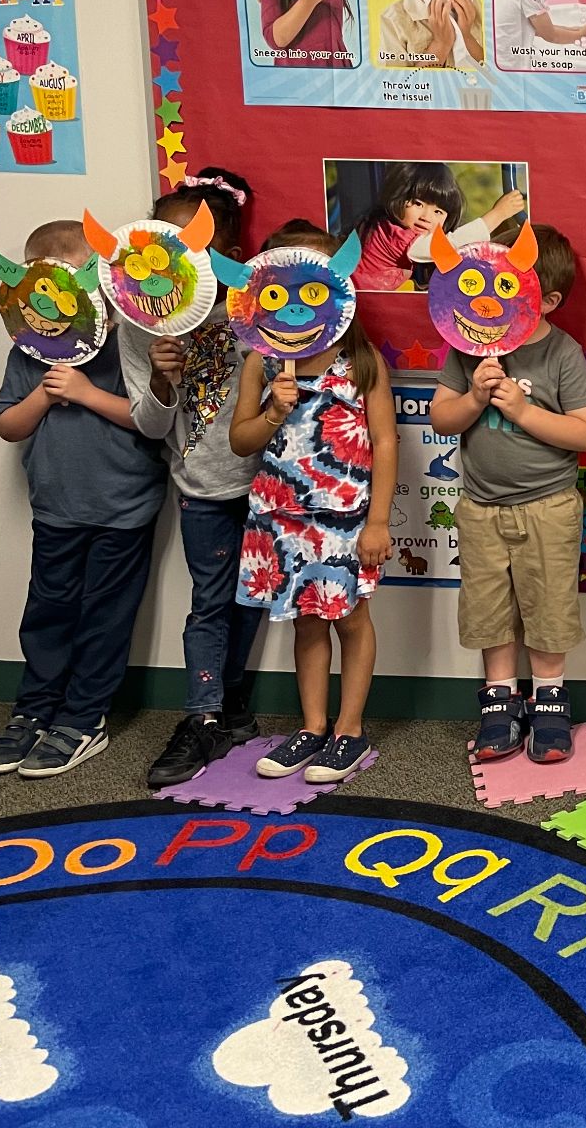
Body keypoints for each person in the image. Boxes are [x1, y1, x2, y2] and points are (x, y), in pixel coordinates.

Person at [0, 220, 166, 779]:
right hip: (57, 507)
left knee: (104, 619)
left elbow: (152, 425)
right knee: (48, 612)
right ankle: (33, 711)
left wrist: (86, 393)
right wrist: (44, 389)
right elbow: (9, 427)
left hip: (123, 507)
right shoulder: (28, 352)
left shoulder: (128, 339)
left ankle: (83, 718)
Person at [229, 221, 397, 785]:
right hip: (282, 519)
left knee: (350, 618)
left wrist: (377, 522)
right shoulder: (261, 359)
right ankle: (313, 725)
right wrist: (274, 410)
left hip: (346, 520)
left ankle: (349, 729)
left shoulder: (363, 360)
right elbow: (241, 441)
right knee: (305, 623)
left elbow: (385, 441)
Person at [428, 225, 586, 764]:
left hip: (549, 508)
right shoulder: (465, 348)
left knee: (549, 607)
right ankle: (499, 703)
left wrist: (523, 411)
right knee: (489, 610)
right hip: (481, 509)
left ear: (544, 300)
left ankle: (550, 701)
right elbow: (442, 417)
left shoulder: (560, 353)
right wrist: (476, 397)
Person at [133, 169, 269, 786]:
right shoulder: (151, 324)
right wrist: (162, 378)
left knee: (250, 601)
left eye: (193, 244)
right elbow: (152, 425)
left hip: (269, 487)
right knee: (209, 604)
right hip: (203, 489)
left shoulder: (259, 311)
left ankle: (231, 702)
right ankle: (203, 717)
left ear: (229, 253)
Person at [353, 162, 526, 293]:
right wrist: (498, 214)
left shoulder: (383, 225)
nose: (426, 217)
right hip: (365, 297)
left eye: (438, 211)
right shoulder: (398, 237)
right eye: (418, 203)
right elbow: (449, 246)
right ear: (397, 198)